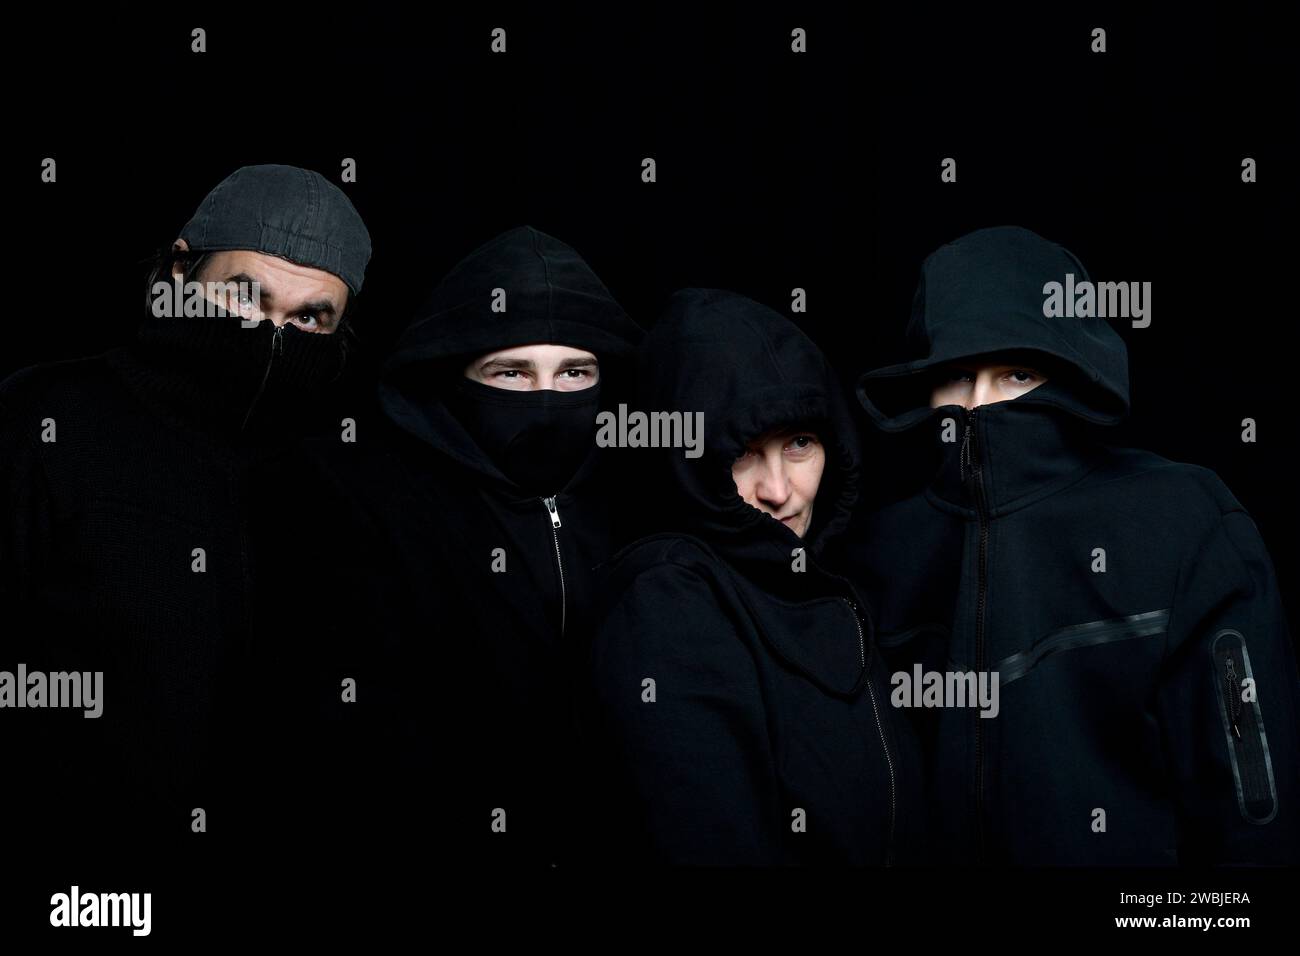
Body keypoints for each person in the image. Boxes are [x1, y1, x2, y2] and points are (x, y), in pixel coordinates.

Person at [841, 225, 1300, 864]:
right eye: (955, 376)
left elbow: (1255, 806)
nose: (978, 405)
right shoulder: (881, 552)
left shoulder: (1180, 518)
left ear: (1067, 376)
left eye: (1015, 374)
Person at [0, 164, 373, 855]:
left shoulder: (343, 485)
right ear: (179, 272)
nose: (272, 335)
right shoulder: (44, 421)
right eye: (244, 296)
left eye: (310, 317)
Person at [306, 225, 643, 865]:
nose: (547, 398)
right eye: (510, 371)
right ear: (453, 375)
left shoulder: (645, 503)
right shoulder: (368, 506)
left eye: (575, 371)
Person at [585, 289, 921, 865]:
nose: (779, 492)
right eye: (742, 454)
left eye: (798, 444)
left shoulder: (832, 585)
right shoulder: (668, 599)